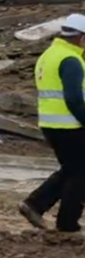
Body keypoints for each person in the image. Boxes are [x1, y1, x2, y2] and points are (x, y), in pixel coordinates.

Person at [18, 13, 85, 232]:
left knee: (72, 170)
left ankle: (35, 205)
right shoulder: (71, 60)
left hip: (51, 124)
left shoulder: (49, 55)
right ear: (82, 38)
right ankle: (66, 223)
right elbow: (74, 99)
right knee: (79, 174)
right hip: (70, 126)